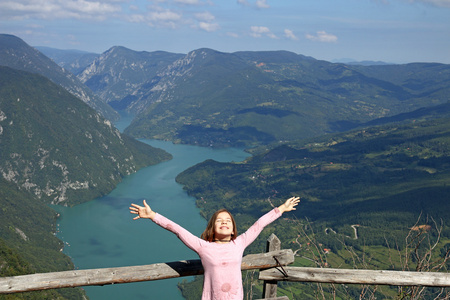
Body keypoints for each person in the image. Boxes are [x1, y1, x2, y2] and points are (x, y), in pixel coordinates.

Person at [129, 196, 300, 300]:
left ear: (233, 230)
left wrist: (281, 209)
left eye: (228, 220)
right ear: (212, 227)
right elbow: (177, 230)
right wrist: (153, 215)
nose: (224, 222)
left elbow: (259, 225)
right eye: (219, 220)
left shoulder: (239, 243)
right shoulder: (203, 247)